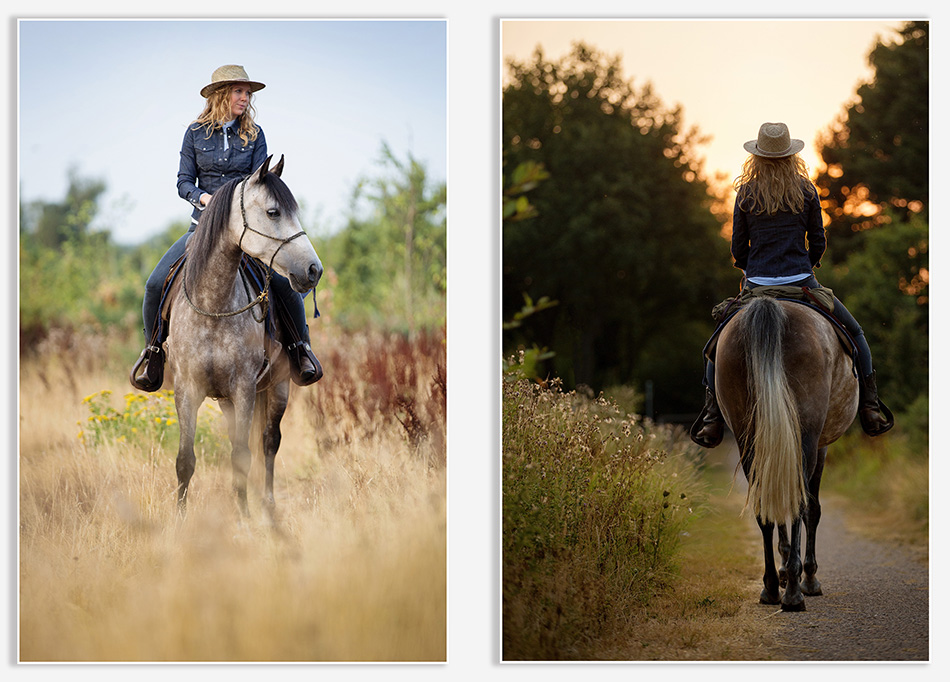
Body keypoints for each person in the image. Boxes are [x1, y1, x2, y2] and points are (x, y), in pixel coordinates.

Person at [691, 122, 893, 447]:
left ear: (756, 156)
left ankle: (712, 417)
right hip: (802, 283)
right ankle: (871, 408)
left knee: (714, 349)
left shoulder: (746, 193)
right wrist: (808, 265)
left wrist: (750, 270)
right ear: (791, 155)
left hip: (755, 284)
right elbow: (818, 240)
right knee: (855, 334)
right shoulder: (806, 190)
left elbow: (738, 248)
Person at [130, 64, 318, 391]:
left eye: (248, 93)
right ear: (221, 94)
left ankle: (299, 350)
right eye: (239, 91)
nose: (245, 98)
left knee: (285, 284)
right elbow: (183, 181)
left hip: (246, 233)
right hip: (201, 230)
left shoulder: (256, 135)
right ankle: (154, 353)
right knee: (154, 284)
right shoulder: (194, 133)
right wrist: (202, 198)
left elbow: (263, 182)